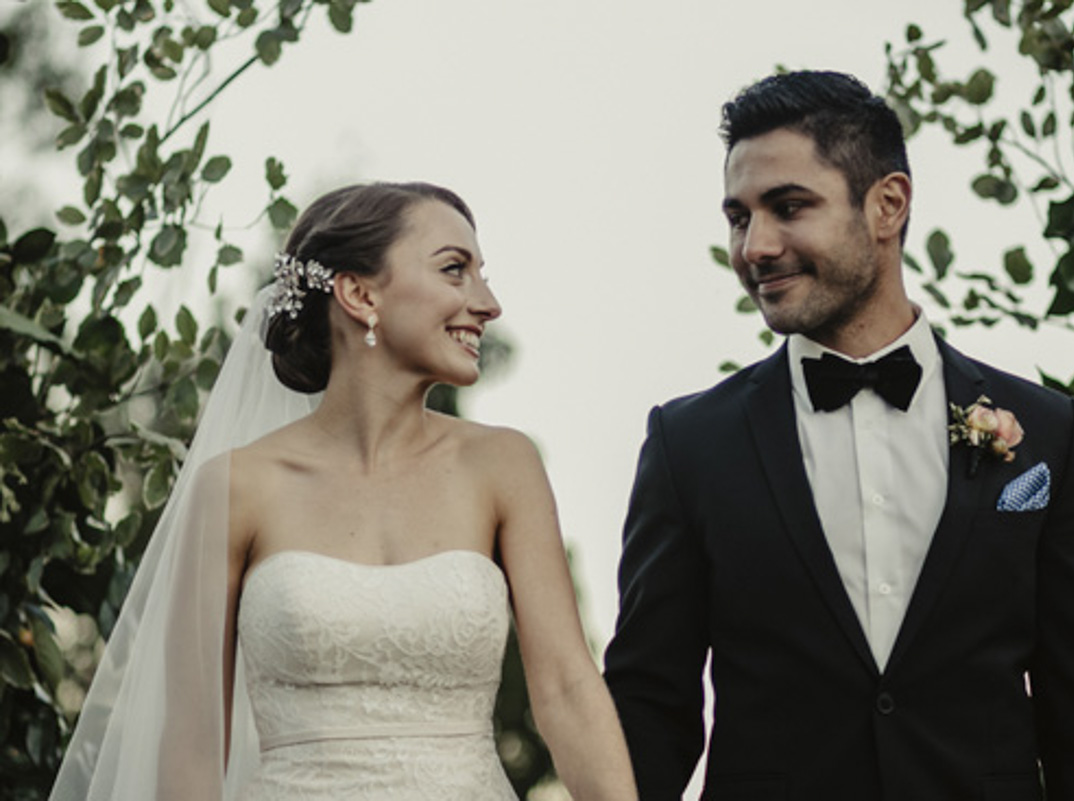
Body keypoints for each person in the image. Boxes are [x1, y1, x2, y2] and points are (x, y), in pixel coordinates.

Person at [603, 71, 1074, 801]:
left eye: (788, 207)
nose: (755, 246)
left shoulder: (1048, 432)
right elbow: (651, 705)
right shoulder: (688, 443)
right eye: (738, 216)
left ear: (887, 205)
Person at [51, 181, 638, 801]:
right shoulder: (233, 488)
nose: (487, 303)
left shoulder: (503, 465)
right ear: (360, 294)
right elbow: (192, 745)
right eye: (455, 270)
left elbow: (568, 691)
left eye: (480, 274)